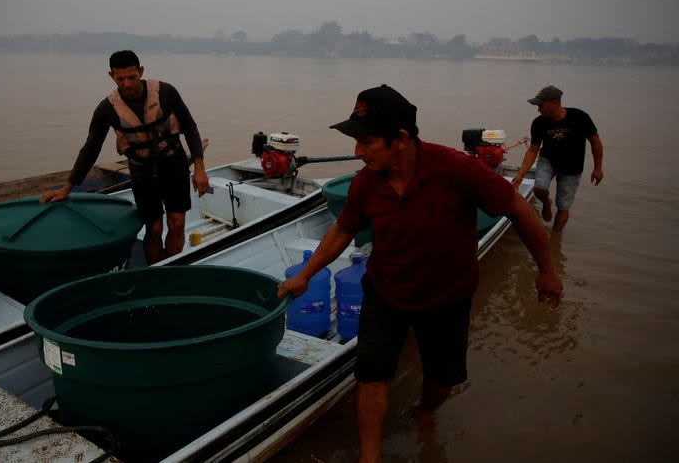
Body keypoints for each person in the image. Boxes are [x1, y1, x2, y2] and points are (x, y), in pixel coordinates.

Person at [276, 84, 562, 463]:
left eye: (366, 141)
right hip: (385, 291)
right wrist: (306, 274)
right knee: (371, 374)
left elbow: (516, 208)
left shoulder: (457, 169)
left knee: (443, 380)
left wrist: (546, 270)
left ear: (401, 138)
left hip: (448, 295)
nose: (357, 152)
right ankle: (370, 457)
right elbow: (343, 231)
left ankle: (424, 413)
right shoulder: (366, 180)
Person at [40, 50, 209, 264]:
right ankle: (155, 271)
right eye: (121, 79)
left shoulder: (166, 92)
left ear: (141, 71)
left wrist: (200, 170)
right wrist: (67, 188)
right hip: (142, 171)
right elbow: (90, 149)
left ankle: (172, 269)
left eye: (132, 77)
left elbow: (190, 128)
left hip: (173, 165)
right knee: (154, 227)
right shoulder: (106, 109)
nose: (127, 84)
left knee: (176, 223)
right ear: (112, 76)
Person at [512, 85, 603, 232]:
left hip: (573, 166)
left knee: (563, 206)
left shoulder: (579, 117)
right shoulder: (539, 122)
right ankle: (546, 202)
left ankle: (555, 237)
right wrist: (520, 175)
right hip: (548, 160)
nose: (538, 109)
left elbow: (595, 141)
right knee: (539, 190)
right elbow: (533, 149)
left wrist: (597, 168)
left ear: (555, 102)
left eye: (541, 105)